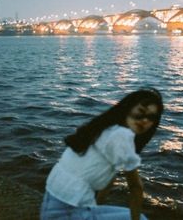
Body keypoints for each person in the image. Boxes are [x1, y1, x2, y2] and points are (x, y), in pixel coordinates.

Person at [40, 89, 163, 220]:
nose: (144, 120)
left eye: (151, 117)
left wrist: (96, 205)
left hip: (52, 207)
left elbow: (109, 180)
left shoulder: (104, 127)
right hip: (69, 212)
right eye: (141, 112)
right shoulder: (122, 135)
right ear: (128, 108)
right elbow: (136, 187)